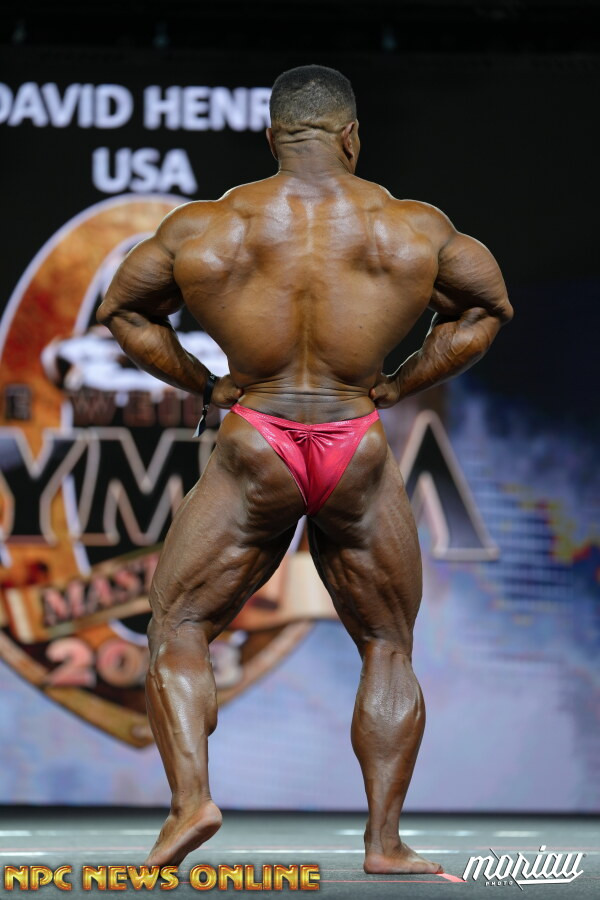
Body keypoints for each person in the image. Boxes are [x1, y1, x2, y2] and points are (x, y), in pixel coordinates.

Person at [97, 64, 513, 874]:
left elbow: (124, 311)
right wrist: (403, 382)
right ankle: (384, 843)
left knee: (179, 625)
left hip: (257, 441)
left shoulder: (208, 228)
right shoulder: (413, 227)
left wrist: (206, 383)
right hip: (355, 442)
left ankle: (191, 802)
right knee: (387, 642)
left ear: (272, 137)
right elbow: (487, 308)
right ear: (351, 136)